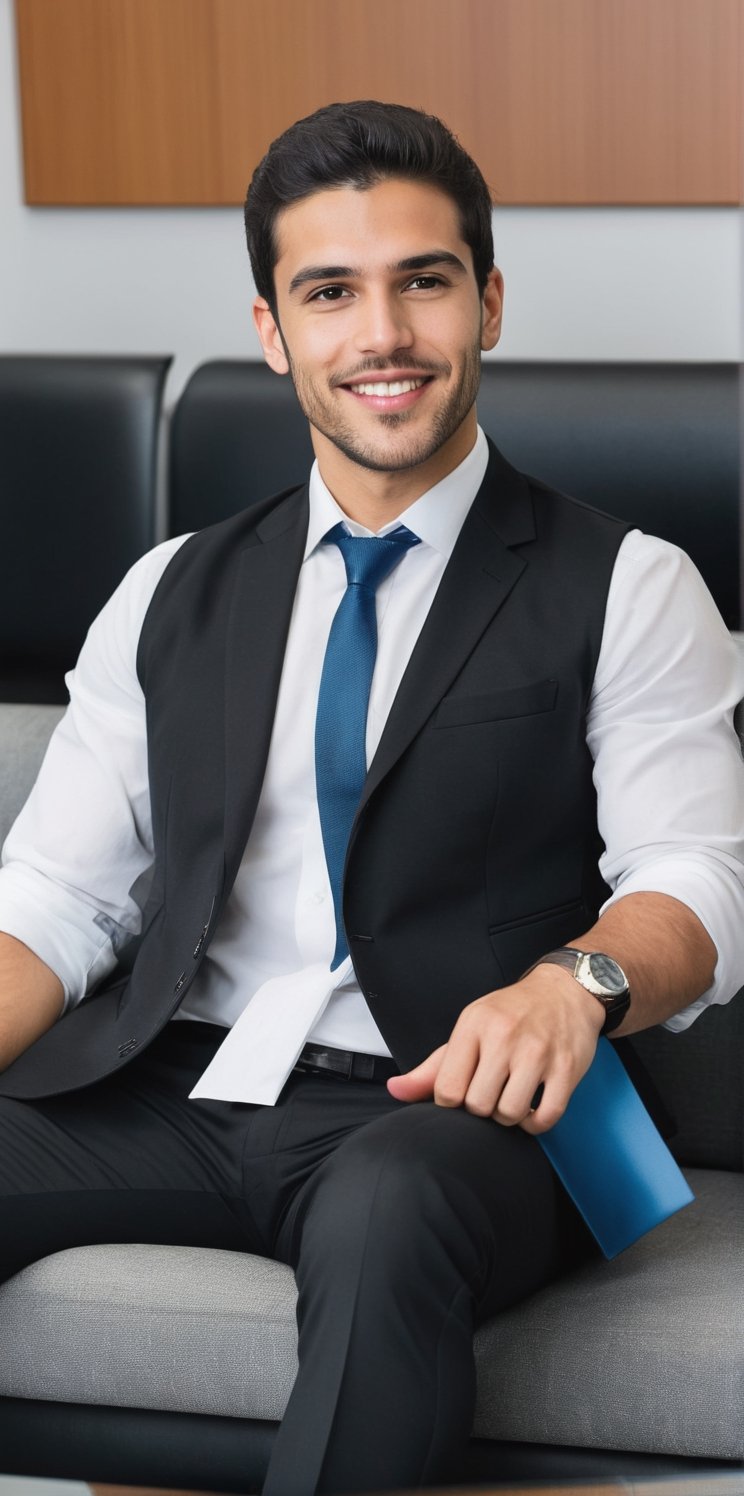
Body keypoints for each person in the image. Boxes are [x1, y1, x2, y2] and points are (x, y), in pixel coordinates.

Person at [1, 99, 744, 1494]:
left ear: (489, 302)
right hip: (181, 1080)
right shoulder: (170, 589)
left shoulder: (632, 584)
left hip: (461, 1114)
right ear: (276, 331)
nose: (382, 335)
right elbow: (55, 899)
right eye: (329, 293)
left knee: (392, 1214)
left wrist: (572, 982)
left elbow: (698, 881)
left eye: (424, 281)